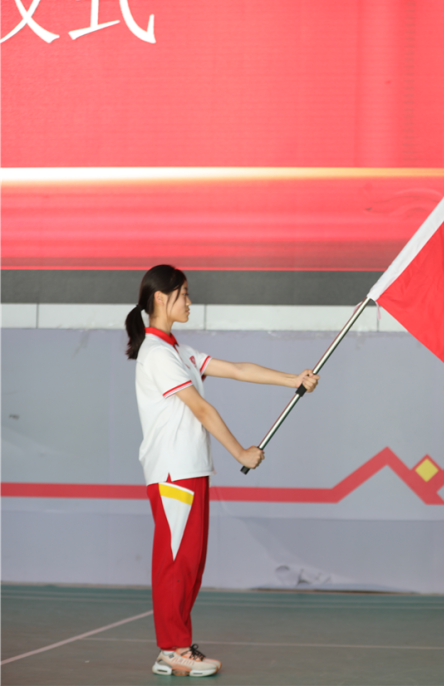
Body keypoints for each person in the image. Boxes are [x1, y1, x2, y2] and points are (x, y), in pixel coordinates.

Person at [125, 265, 319, 677]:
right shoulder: (157, 355)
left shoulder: (179, 351)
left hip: (192, 470)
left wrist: (293, 380)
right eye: (184, 294)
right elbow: (201, 408)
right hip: (173, 474)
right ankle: (172, 649)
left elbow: (238, 369)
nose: (190, 301)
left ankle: (176, 648)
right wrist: (240, 453)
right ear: (161, 298)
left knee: (191, 563)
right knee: (176, 563)